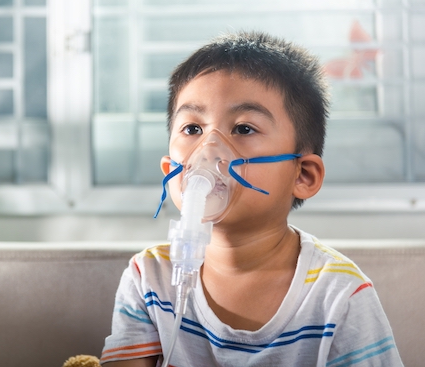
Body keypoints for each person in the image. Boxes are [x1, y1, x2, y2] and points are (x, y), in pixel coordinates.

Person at [100, 31, 403, 367]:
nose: (208, 151)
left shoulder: (338, 296)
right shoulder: (151, 278)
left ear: (302, 175)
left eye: (243, 128)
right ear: (170, 168)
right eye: (192, 129)